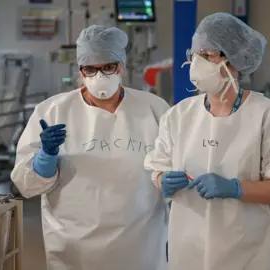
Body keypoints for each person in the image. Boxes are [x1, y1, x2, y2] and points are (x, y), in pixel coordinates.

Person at [144, 13, 270, 270]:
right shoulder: (179, 116)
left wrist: (237, 188)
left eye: (207, 55)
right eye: (194, 54)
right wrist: (164, 181)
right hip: (188, 246)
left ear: (234, 60)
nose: (196, 62)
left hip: (248, 249)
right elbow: (158, 168)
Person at [11, 25, 170, 270]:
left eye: (108, 67)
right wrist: (45, 159)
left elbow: (175, 164)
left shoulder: (153, 109)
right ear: (80, 72)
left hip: (140, 242)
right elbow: (25, 184)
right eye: (90, 69)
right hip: (74, 246)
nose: (100, 75)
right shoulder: (52, 111)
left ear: (122, 67)